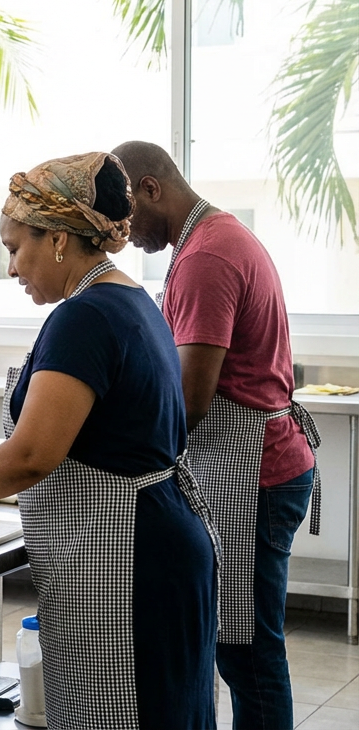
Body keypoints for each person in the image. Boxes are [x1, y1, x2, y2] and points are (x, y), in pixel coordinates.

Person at [0, 152, 219, 728]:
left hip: (125, 561)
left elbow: (33, 456)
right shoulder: (129, 301)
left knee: (123, 715)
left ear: (57, 240)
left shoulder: (84, 318)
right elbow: (53, 435)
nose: (12, 268)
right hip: (153, 542)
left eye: (15, 247)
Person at [114, 140, 320, 729]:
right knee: (236, 643)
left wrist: (125, 447)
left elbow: (192, 399)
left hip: (253, 473)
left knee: (248, 653)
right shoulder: (207, 241)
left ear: (151, 189)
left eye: (128, 215)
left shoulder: (208, 256)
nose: (125, 232)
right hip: (241, 467)